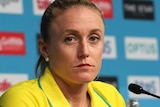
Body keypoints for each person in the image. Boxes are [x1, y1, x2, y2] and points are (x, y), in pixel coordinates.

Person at [0, 0, 126, 107]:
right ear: (45, 49)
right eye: (70, 39)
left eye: (93, 38)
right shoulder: (21, 99)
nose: (85, 52)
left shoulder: (111, 96)